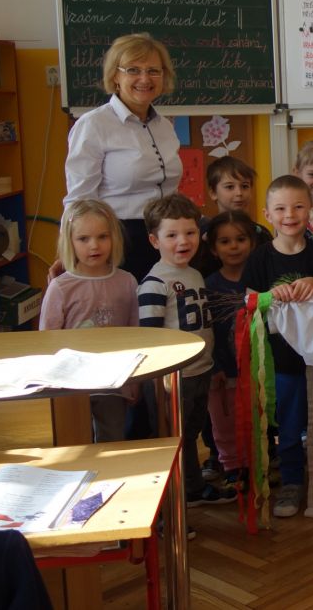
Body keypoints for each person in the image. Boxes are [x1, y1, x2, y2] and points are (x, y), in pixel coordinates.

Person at [136, 194, 233, 506]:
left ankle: (191, 487)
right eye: (172, 235)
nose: (183, 241)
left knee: (190, 433)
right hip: (173, 378)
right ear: (155, 240)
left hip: (200, 370)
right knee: (173, 437)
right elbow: (150, 337)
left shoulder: (193, 274)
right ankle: (171, 499)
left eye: (190, 232)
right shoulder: (154, 283)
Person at [64, 33, 182, 281]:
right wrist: (72, 252)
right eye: (133, 70)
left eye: (153, 71)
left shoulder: (165, 126)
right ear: (115, 76)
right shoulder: (94, 124)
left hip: (166, 237)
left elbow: (169, 189)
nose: (144, 79)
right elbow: (80, 198)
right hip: (119, 239)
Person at [243, 175, 313, 518]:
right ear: (267, 214)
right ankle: (291, 482)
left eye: (298, 206)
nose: (289, 215)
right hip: (283, 358)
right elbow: (247, 303)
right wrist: (268, 296)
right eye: (280, 209)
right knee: (289, 426)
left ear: (310, 210)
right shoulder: (260, 258)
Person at [39, 199, 137, 442]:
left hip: (113, 381)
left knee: (112, 439)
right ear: (70, 242)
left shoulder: (127, 282)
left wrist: (134, 382)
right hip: (71, 383)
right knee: (74, 441)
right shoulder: (60, 287)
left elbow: (136, 334)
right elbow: (47, 339)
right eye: (83, 239)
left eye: (102, 236)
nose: (94, 245)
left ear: (114, 237)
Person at [201, 210, 257, 487]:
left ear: (252, 243)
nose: (234, 246)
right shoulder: (209, 286)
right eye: (225, 241)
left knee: (254, 418)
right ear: (214, 248)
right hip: (222, 370)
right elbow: (206, 330)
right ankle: (232, 466)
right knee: (224, 422)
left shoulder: (259, 280)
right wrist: (215, 366)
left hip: (255, 368)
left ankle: (255, 464)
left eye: (240, 239)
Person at [192, 156, 273, 274]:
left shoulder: (261, 234)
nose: (239, 193)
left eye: (244, 186)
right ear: (213, 193)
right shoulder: (203, 236)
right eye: (230, 187)